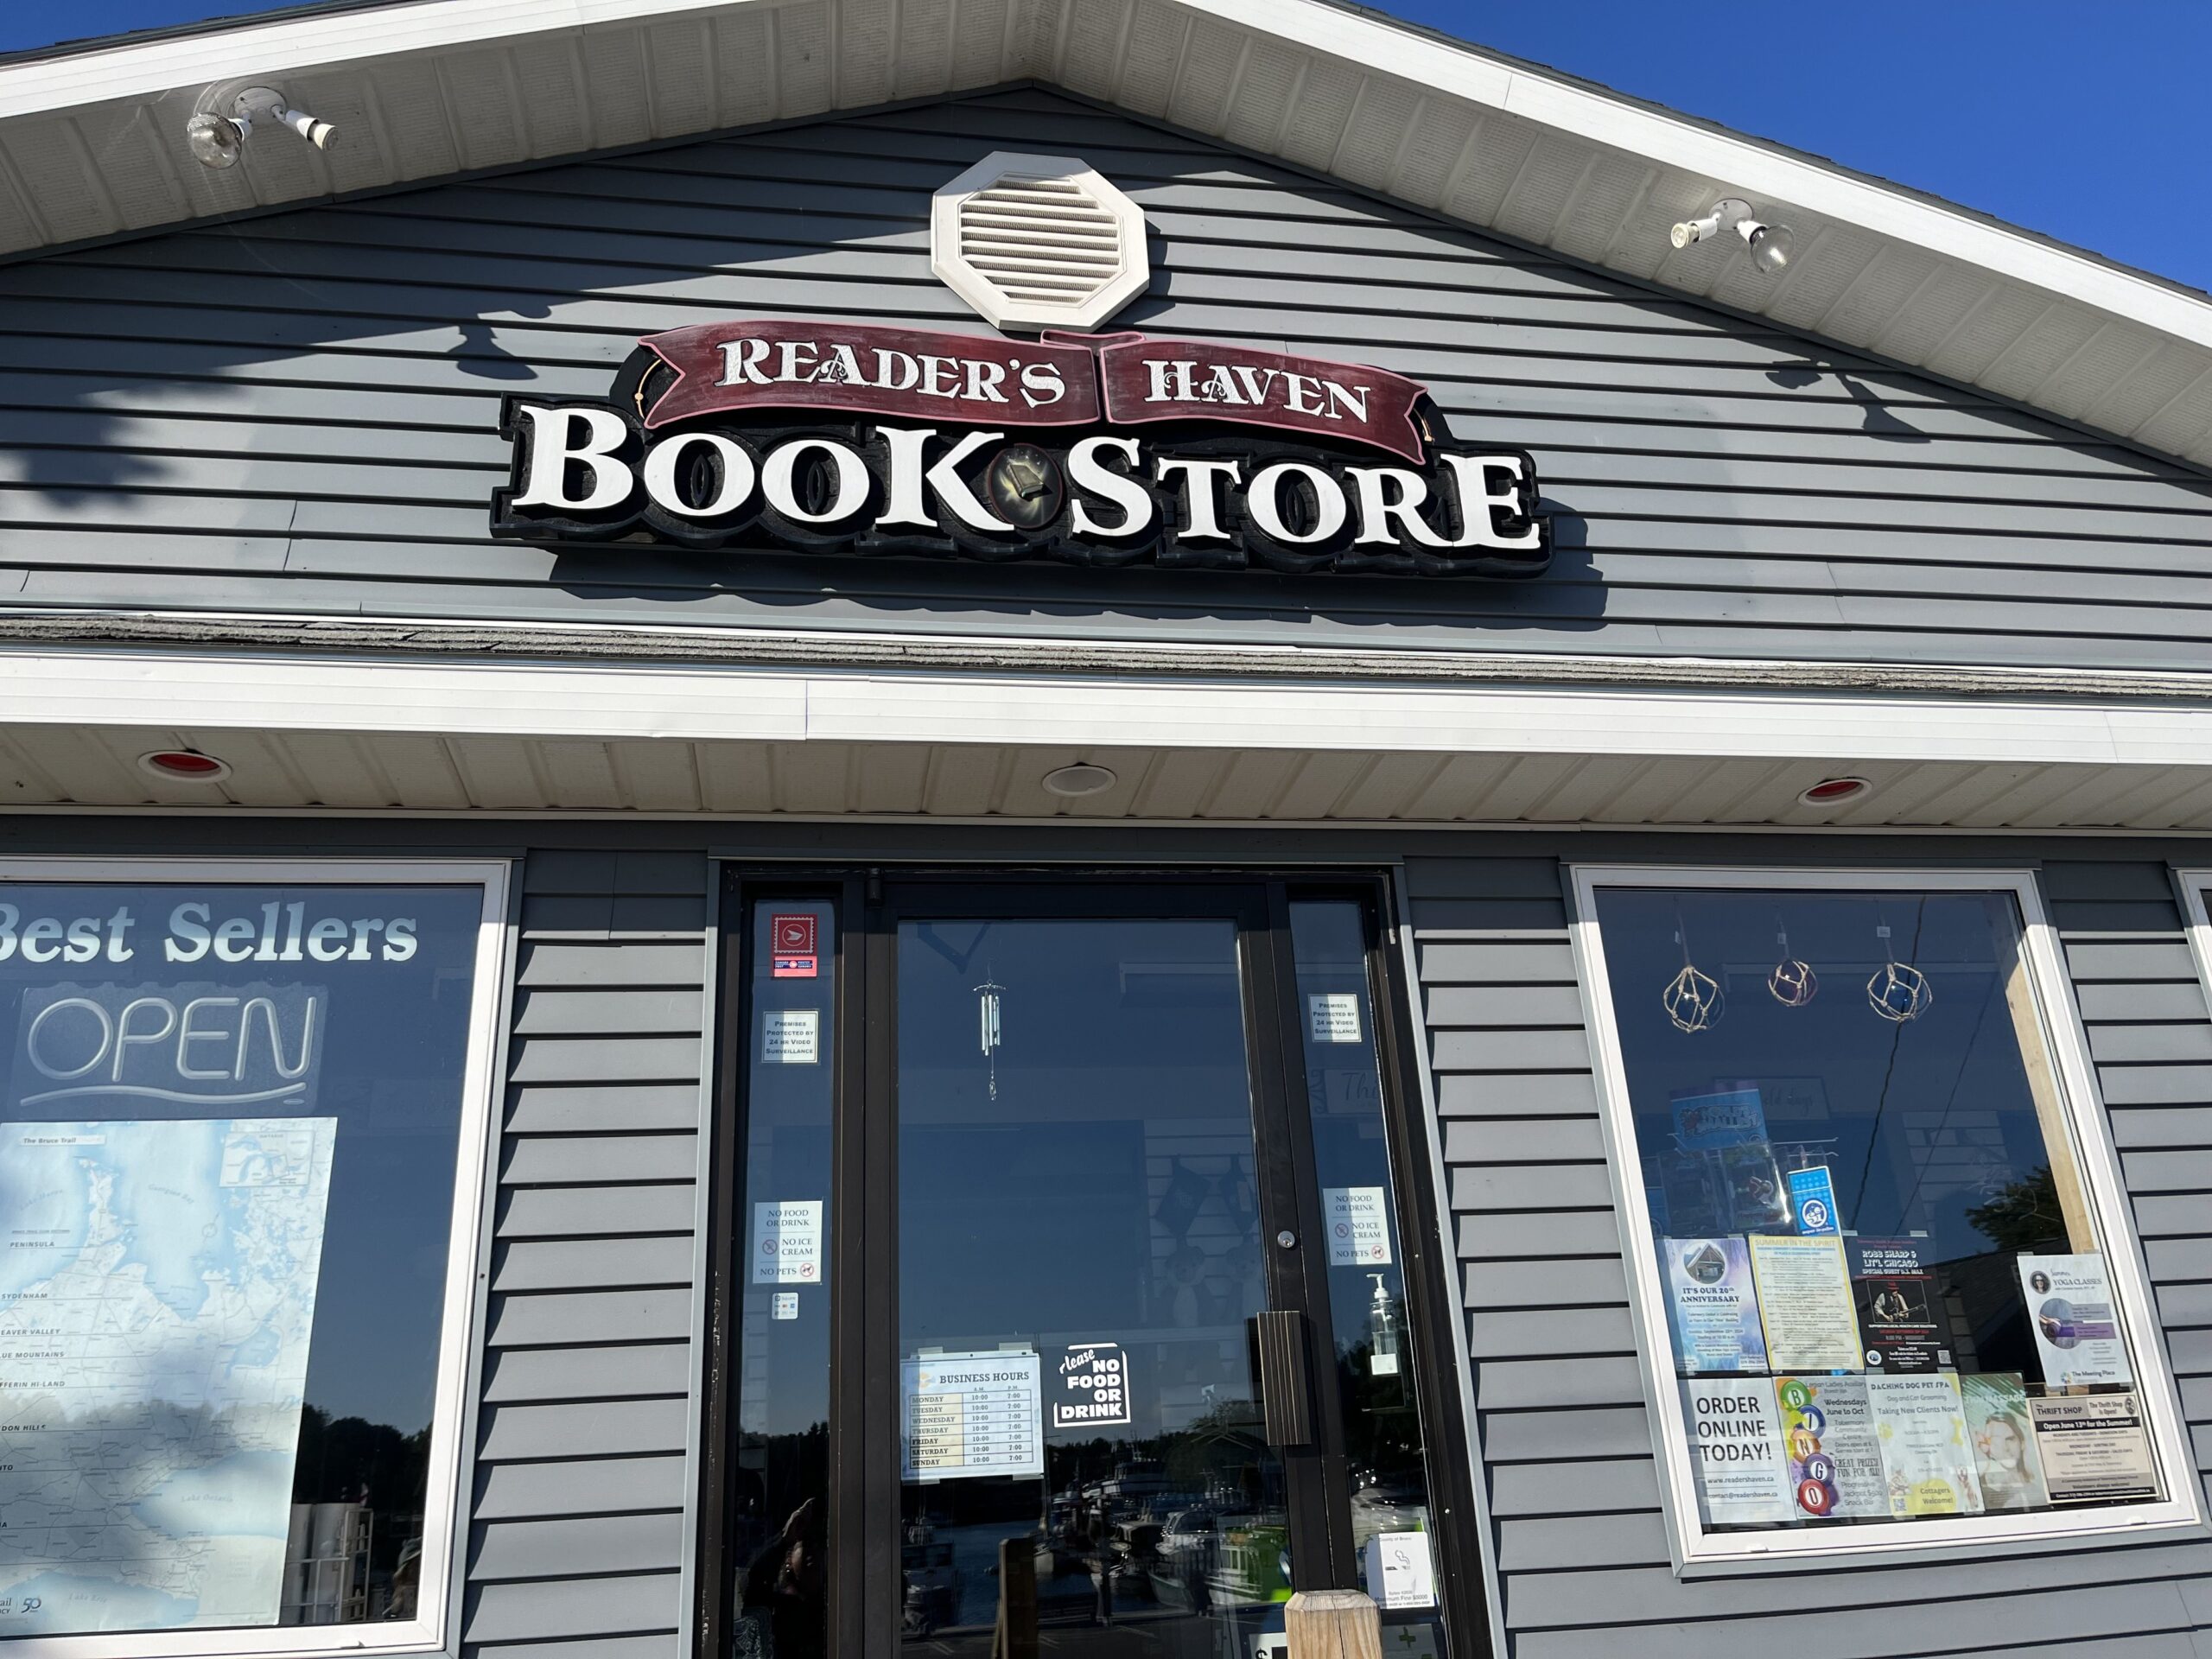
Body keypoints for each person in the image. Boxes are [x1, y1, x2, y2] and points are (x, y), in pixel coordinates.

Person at [1976, 1412, 2043, 1511]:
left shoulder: (2037, 1490)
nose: (2005, 1448)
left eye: (2010, 1439)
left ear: (2022, 1443)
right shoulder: (1983, 1491)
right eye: (1996, 1442)